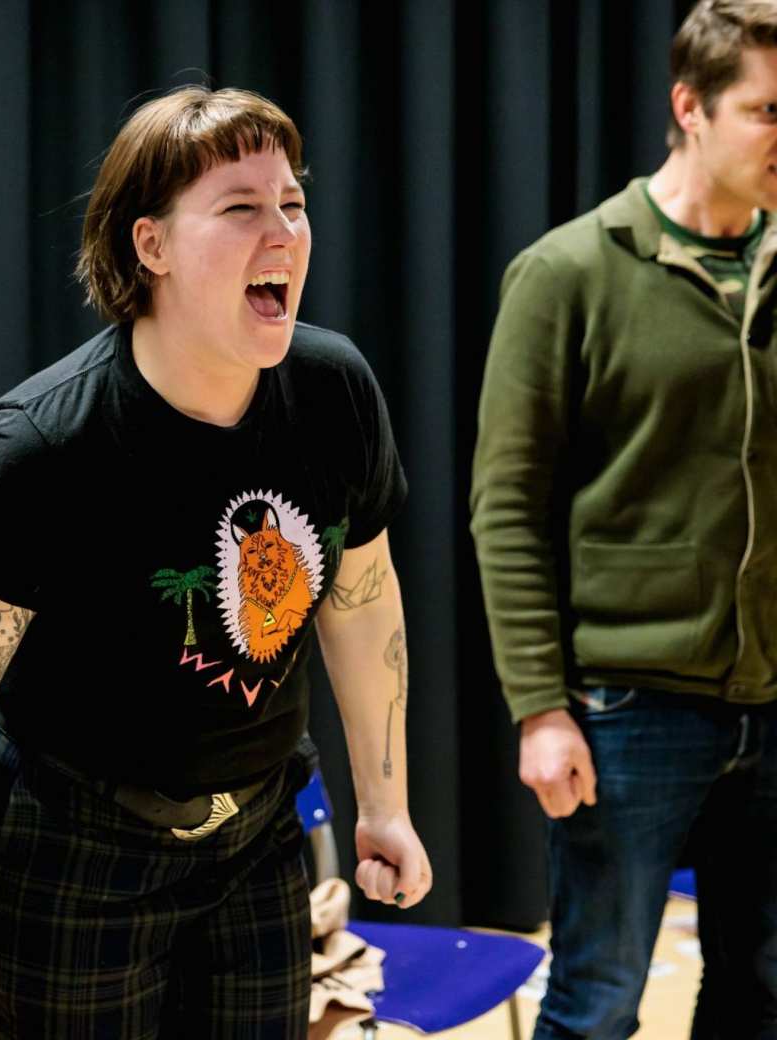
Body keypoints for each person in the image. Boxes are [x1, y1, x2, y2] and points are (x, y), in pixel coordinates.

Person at [0, 85, 432, 1039]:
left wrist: (384, 802)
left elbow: (361, 601)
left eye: (294, 203)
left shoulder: (335, 390)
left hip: (254, 833)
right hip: (66, 847)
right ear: (151, 247)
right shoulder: (37, 450)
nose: (285, 233)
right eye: (241, 208)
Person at [471, 3, 777, 1037]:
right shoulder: (567, 274)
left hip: (774, 698)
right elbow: (504, 506)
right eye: (766, 111)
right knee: (596, 1001)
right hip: (626, 706)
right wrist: (537, 706)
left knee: (763, 988)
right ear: (687, 107)